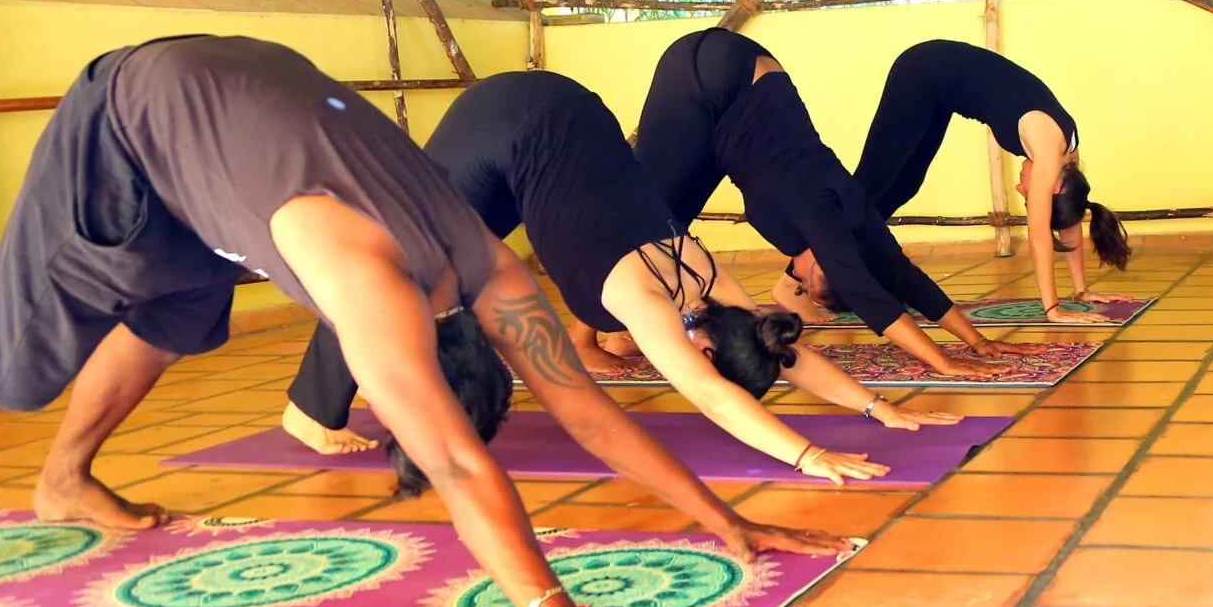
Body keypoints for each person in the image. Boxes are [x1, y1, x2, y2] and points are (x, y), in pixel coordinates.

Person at [0, 35, 845, 607]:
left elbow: (586, 408)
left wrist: (728, 524)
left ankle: (65, 479)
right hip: (126, 127)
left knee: (168, 319)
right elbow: (456, 461)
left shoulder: (486, 263)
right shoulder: (369, 287)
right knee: (2, 375)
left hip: (239, 108)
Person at [279, 69, 960, 473]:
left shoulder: (705, 276)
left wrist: (880, 409)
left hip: (569, 112)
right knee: (394, 258)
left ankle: (366, 378)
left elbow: (781, 347)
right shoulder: (649, 298)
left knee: (438, 256)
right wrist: (810, 456)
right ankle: (309, 412)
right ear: (705, 346)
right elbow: (710, 394)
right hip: (507, 123)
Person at [631, 28, 1009, 378]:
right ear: (823, 266)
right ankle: (608, 337)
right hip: (709, 73)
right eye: (805, 283)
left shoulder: (855, 211)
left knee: (667, 223)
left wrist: (976, 341)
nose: (794, 276)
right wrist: (943, 361)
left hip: (743, 77)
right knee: (640, 217)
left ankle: (627, 324)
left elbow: (903, 275)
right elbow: (864, 292)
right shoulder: (819, 215)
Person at [852, 39, 1131, 319]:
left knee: (904, 185)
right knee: (871, 182)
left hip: (939, 89)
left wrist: (1081, 291)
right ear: (1054, 187)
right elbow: (1039, 234)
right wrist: (1053, 309)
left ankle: (850, 267)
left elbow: (1070, 216)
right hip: (923, 69)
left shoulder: (1067, 161)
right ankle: (829, 270)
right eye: (1029, 195)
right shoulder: (1048, 150)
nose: (1019, 188)